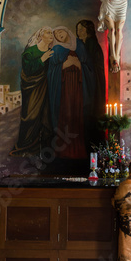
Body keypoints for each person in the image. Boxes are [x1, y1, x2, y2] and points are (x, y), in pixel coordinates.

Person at [47, 26, 95, 159]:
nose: (58, 34)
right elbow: (51, 72)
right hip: (64, 90)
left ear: (67, 31)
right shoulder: (56, 49)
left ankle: (78, 149)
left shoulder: (79, 46)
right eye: (55, 34)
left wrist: (79, 65)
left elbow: (90, 69)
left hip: (78, 89)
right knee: (66, 115)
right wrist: (64, 66)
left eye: (60, 31)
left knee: (77, 116)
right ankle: (63, 151)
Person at [10, 27, 54, 156]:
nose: (51, 35)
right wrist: (42, 59)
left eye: (52, 33)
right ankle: (24, 146)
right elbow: (27, 71)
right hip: (33, 90)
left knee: (45, 117)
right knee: (31, 116)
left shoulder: (52, 51)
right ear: (41, 35)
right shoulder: (31, 52)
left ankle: (41, 147)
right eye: (48, 32)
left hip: (47, 89)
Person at [76, 20, 106, 142]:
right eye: (78, 29)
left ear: (88, 31)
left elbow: (91, 66)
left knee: (91, 113)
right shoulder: (84, 44)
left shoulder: (91, 44)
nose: (79, 32)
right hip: (88, 85)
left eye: (81, 29)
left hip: (93, 86)